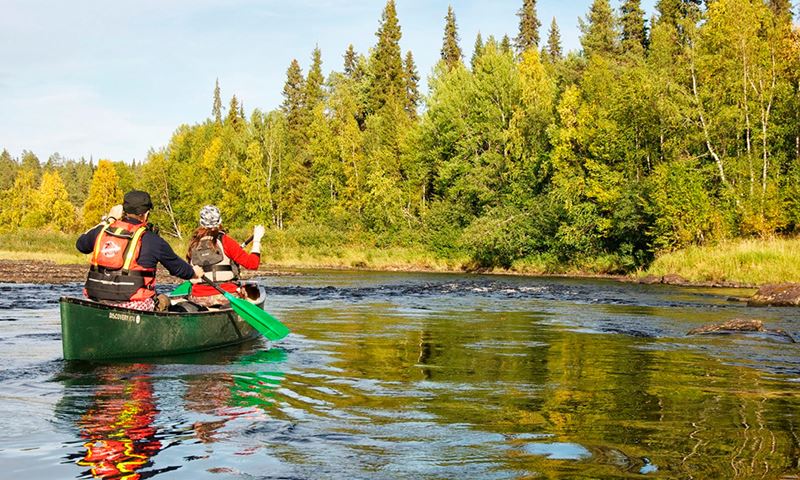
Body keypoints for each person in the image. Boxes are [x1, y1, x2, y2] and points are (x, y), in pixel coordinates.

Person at [76, 190, 204, 311]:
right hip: (133, 306)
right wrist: (193, 273)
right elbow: (178, 268)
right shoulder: (152, 239)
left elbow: (81, 245)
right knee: (164, 300)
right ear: (146, 214)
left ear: (123, 211)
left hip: (95, 302)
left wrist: (109, 219)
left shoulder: (102, 230)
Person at [186, 205, 265, 308]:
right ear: (220, 221)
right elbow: (253, 264)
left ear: (201, 222)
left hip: (198, 298)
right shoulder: (225, 241)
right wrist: (257, 239)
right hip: (226, 296)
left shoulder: (193, 244)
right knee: (252, 290)